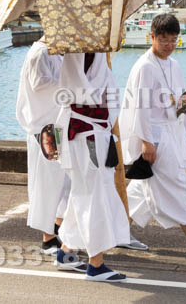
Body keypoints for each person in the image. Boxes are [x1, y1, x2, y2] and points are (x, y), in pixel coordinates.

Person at [119, 13, 186, 261]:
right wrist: (145, 141)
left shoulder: (173, 65)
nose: (169, 45)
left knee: (142, 189)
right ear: (152, 37)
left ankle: (118, 231)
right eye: (164, 39)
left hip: (172, 132)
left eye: (173, 40)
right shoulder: (145, 67)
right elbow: (141, 108)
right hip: (154, 134)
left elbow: (182, 101)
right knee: (178, 186)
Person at [54, 52, 130, 282]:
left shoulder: (87, 51)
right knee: (94, 196)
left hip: (88, 133)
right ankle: (96, 264)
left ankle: (66, 252)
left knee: (84, 193)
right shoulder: (82, 51)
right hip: (88, 136)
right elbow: (84, 94)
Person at [15, 38, 69, 255]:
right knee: (45, 184)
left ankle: (57, 228)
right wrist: (71, 83)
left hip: (58, 125)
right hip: (43, 128)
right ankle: (47, 237)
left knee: (63, 183)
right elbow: (39, 84)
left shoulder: (57, 52)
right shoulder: (40, 53)